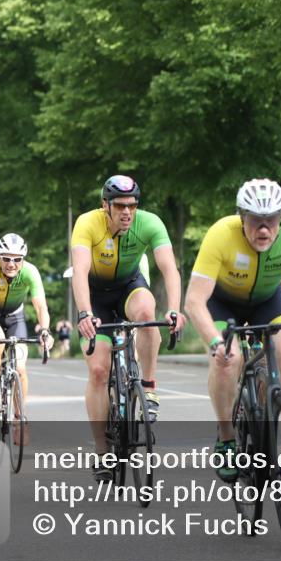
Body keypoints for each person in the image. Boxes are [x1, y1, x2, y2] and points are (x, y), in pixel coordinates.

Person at [184, 178, 281, 481]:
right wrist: (215, 342)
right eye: (256, 221)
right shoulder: (220, 234)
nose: (264, 229)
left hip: (268, 300)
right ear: (242, 217)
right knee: (227, 360)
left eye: (272, 220)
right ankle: (227, 438)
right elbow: (193, 302)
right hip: (223, 303)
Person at [71, 175, 185, 482]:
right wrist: (84, 313)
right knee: (97, 370)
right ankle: (101, 451)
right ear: (104, 205)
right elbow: (79, 271)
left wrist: (174, 309)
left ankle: (147, 388)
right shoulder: (87, 223)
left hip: (129, 287)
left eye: (132, 206)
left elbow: (169, 269)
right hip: (95, 296)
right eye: (120, 205)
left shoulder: (150, 223)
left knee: (148, 314)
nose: (127, 212)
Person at [0, 234, 53, 415]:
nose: (11, 264)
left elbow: (41, 307)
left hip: (16, 317)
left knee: (20, 368)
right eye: (6, 258)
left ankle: (19, 417)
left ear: (23, 260)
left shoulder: (30, 272)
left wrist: (45, 330)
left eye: (17, 259)